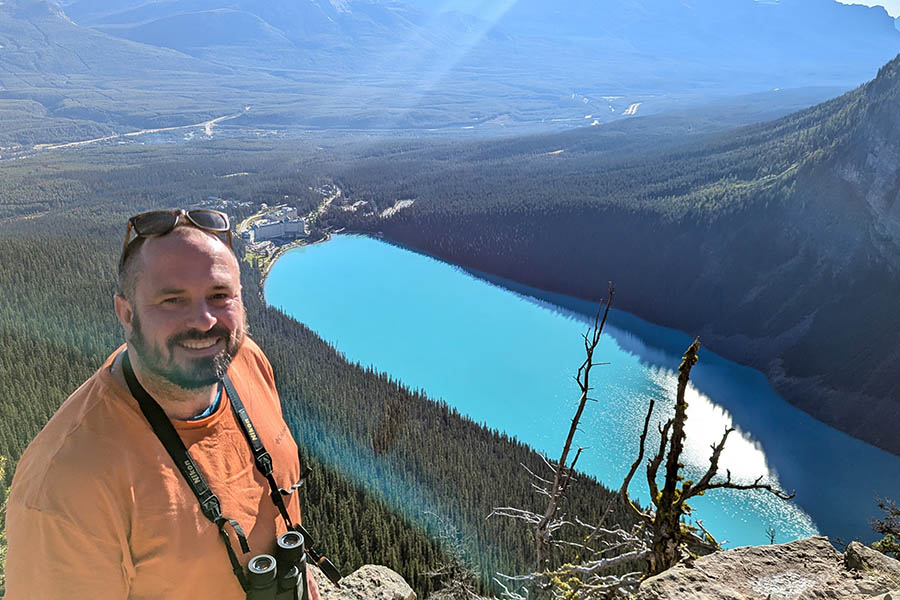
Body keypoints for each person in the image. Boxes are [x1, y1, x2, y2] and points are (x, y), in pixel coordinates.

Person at [5, 209, 324, 599]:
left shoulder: (247, 362)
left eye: (220, 295)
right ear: (126, 313)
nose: (205, 320)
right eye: (173, 300)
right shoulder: (65, 487)